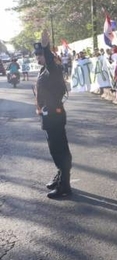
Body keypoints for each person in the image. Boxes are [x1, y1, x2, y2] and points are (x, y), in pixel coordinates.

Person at [34, 30, 72, 199]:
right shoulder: (44, 71)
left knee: (59, 150)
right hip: (49, 115)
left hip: (54, 116)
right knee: (56, 149)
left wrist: (45, 46)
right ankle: (60, 177)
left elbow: (49, 61)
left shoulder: (53, 69)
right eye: (36, 54)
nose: (38, 57)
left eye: (40, 54)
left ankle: (65, 185)